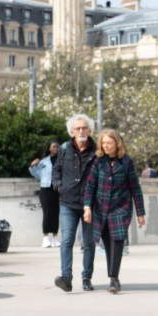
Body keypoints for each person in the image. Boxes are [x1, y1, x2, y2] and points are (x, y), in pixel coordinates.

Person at [82, 128, 145, 294]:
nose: (106, 146)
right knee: (108, 242)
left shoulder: (126, 162)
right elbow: (90, 185)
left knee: (117, 241)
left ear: (117, 144)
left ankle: (113, 278)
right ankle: (113, 276)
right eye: (103, 143)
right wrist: (87, 207)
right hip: (101, 209)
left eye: (109, 143)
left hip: (120, 208)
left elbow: (135, 188)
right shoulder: (98, 161)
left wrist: (140, 213)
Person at [52, 114, 98, 292]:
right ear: (72, 131)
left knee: (88, 242)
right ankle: (66, 278)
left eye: (84, 128)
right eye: (77, 128)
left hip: (89, 204)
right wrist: (58, 186)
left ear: (90, 130)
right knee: (67, 241)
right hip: (68, 202)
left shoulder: (97, 150)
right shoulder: (64, 149)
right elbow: (56, 171)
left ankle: (87, 278)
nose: (81, 131)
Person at [29, 139, 61, 248]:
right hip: (46, 189)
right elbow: (38, 175)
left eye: (57, 146)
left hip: (57, 189)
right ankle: (46, 238)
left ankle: (55, 237)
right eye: (53, 146)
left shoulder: (62, 160)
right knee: (47, 213)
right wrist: (33, 166)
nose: (55, 148)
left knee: (56, 213)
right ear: (49, 148)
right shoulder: (44, 161)